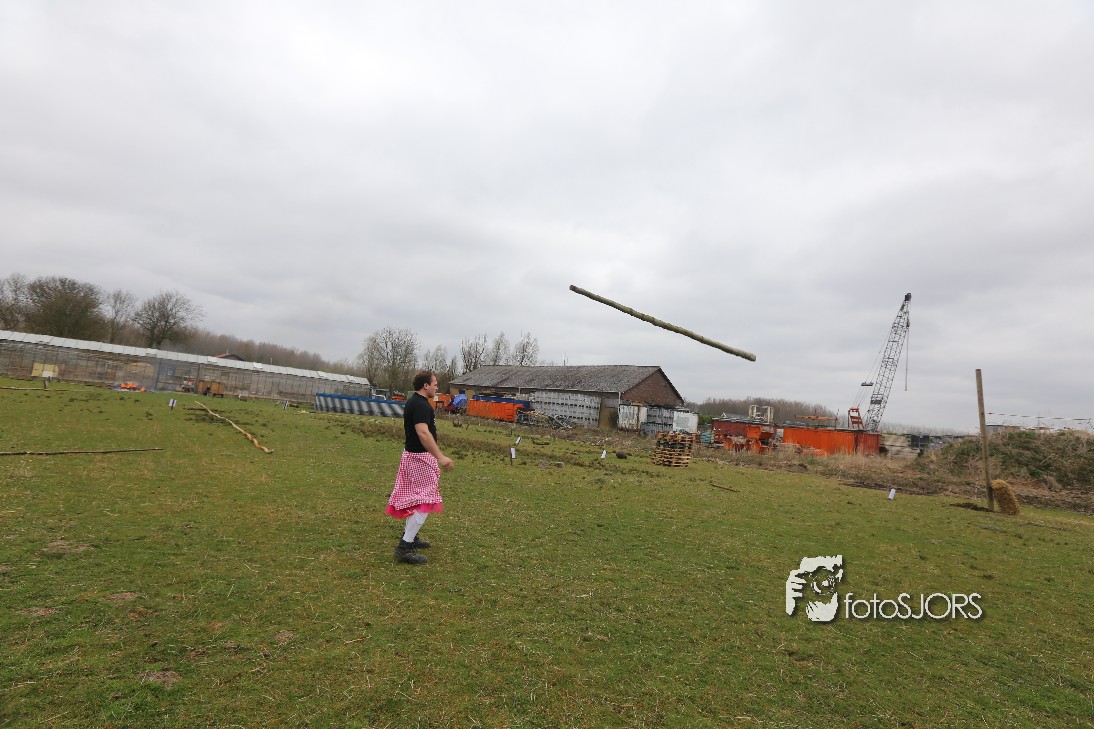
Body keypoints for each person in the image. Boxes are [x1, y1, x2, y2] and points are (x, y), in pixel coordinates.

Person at [386, 370, 455, 564]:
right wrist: (440, 457)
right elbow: (423, 433)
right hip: (419, 459)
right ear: (426, 385)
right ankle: (404, 547)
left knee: (417, 500)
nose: (437, 387)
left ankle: (411, 537)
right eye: (435, 384)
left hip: (414, 457)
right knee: (425, 501)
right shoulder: (420, 405)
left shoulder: (415, 402)